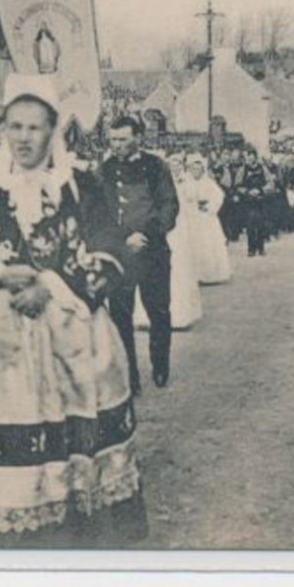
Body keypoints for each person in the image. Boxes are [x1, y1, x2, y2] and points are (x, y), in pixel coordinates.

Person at [0, 76, 144, 546]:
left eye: (34, 127)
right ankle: (9, 523)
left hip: (69, 329)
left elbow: (111, 250)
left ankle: (72, 523)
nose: (23, 138)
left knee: (71, 429)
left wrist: (50, 285)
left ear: (53, 131)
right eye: (14, 127)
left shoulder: (82, 186)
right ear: (2, 130)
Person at [100, 114, 181, 390]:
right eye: (113, 140)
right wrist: (124, 238)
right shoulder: (104, 171)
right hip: (120, 255)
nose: (117, 145)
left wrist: (147, 234)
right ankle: (129, 374)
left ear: (137, 138)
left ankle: (160, 364)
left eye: (123, 139)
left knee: (158, 311)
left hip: (153, 251)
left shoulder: (156, 167)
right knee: (120, 315)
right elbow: (99, 214)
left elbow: (169, 206)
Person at [138, 156, 202, 332]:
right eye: (171, 164)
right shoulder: (157, 182)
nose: (174, 168)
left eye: (177, 165)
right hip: (159, 228)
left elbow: (192, 198)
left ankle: (179, 315)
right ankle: (148, 317)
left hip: (179, 228)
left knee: (178, 269)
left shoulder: (185, 182)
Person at [178, 153, 232, 285]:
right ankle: (194, 275)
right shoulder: (184, 183)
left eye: (199, 169)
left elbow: (219, 196)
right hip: (191, 218)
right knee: (192, 244)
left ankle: (210, 274)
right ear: (189, 169)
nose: (196, 172)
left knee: (208, 244)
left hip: (207, 218)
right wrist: (189, 206)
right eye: (193, 169)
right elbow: (180, 200)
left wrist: (209, 207)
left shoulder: (208, 183)